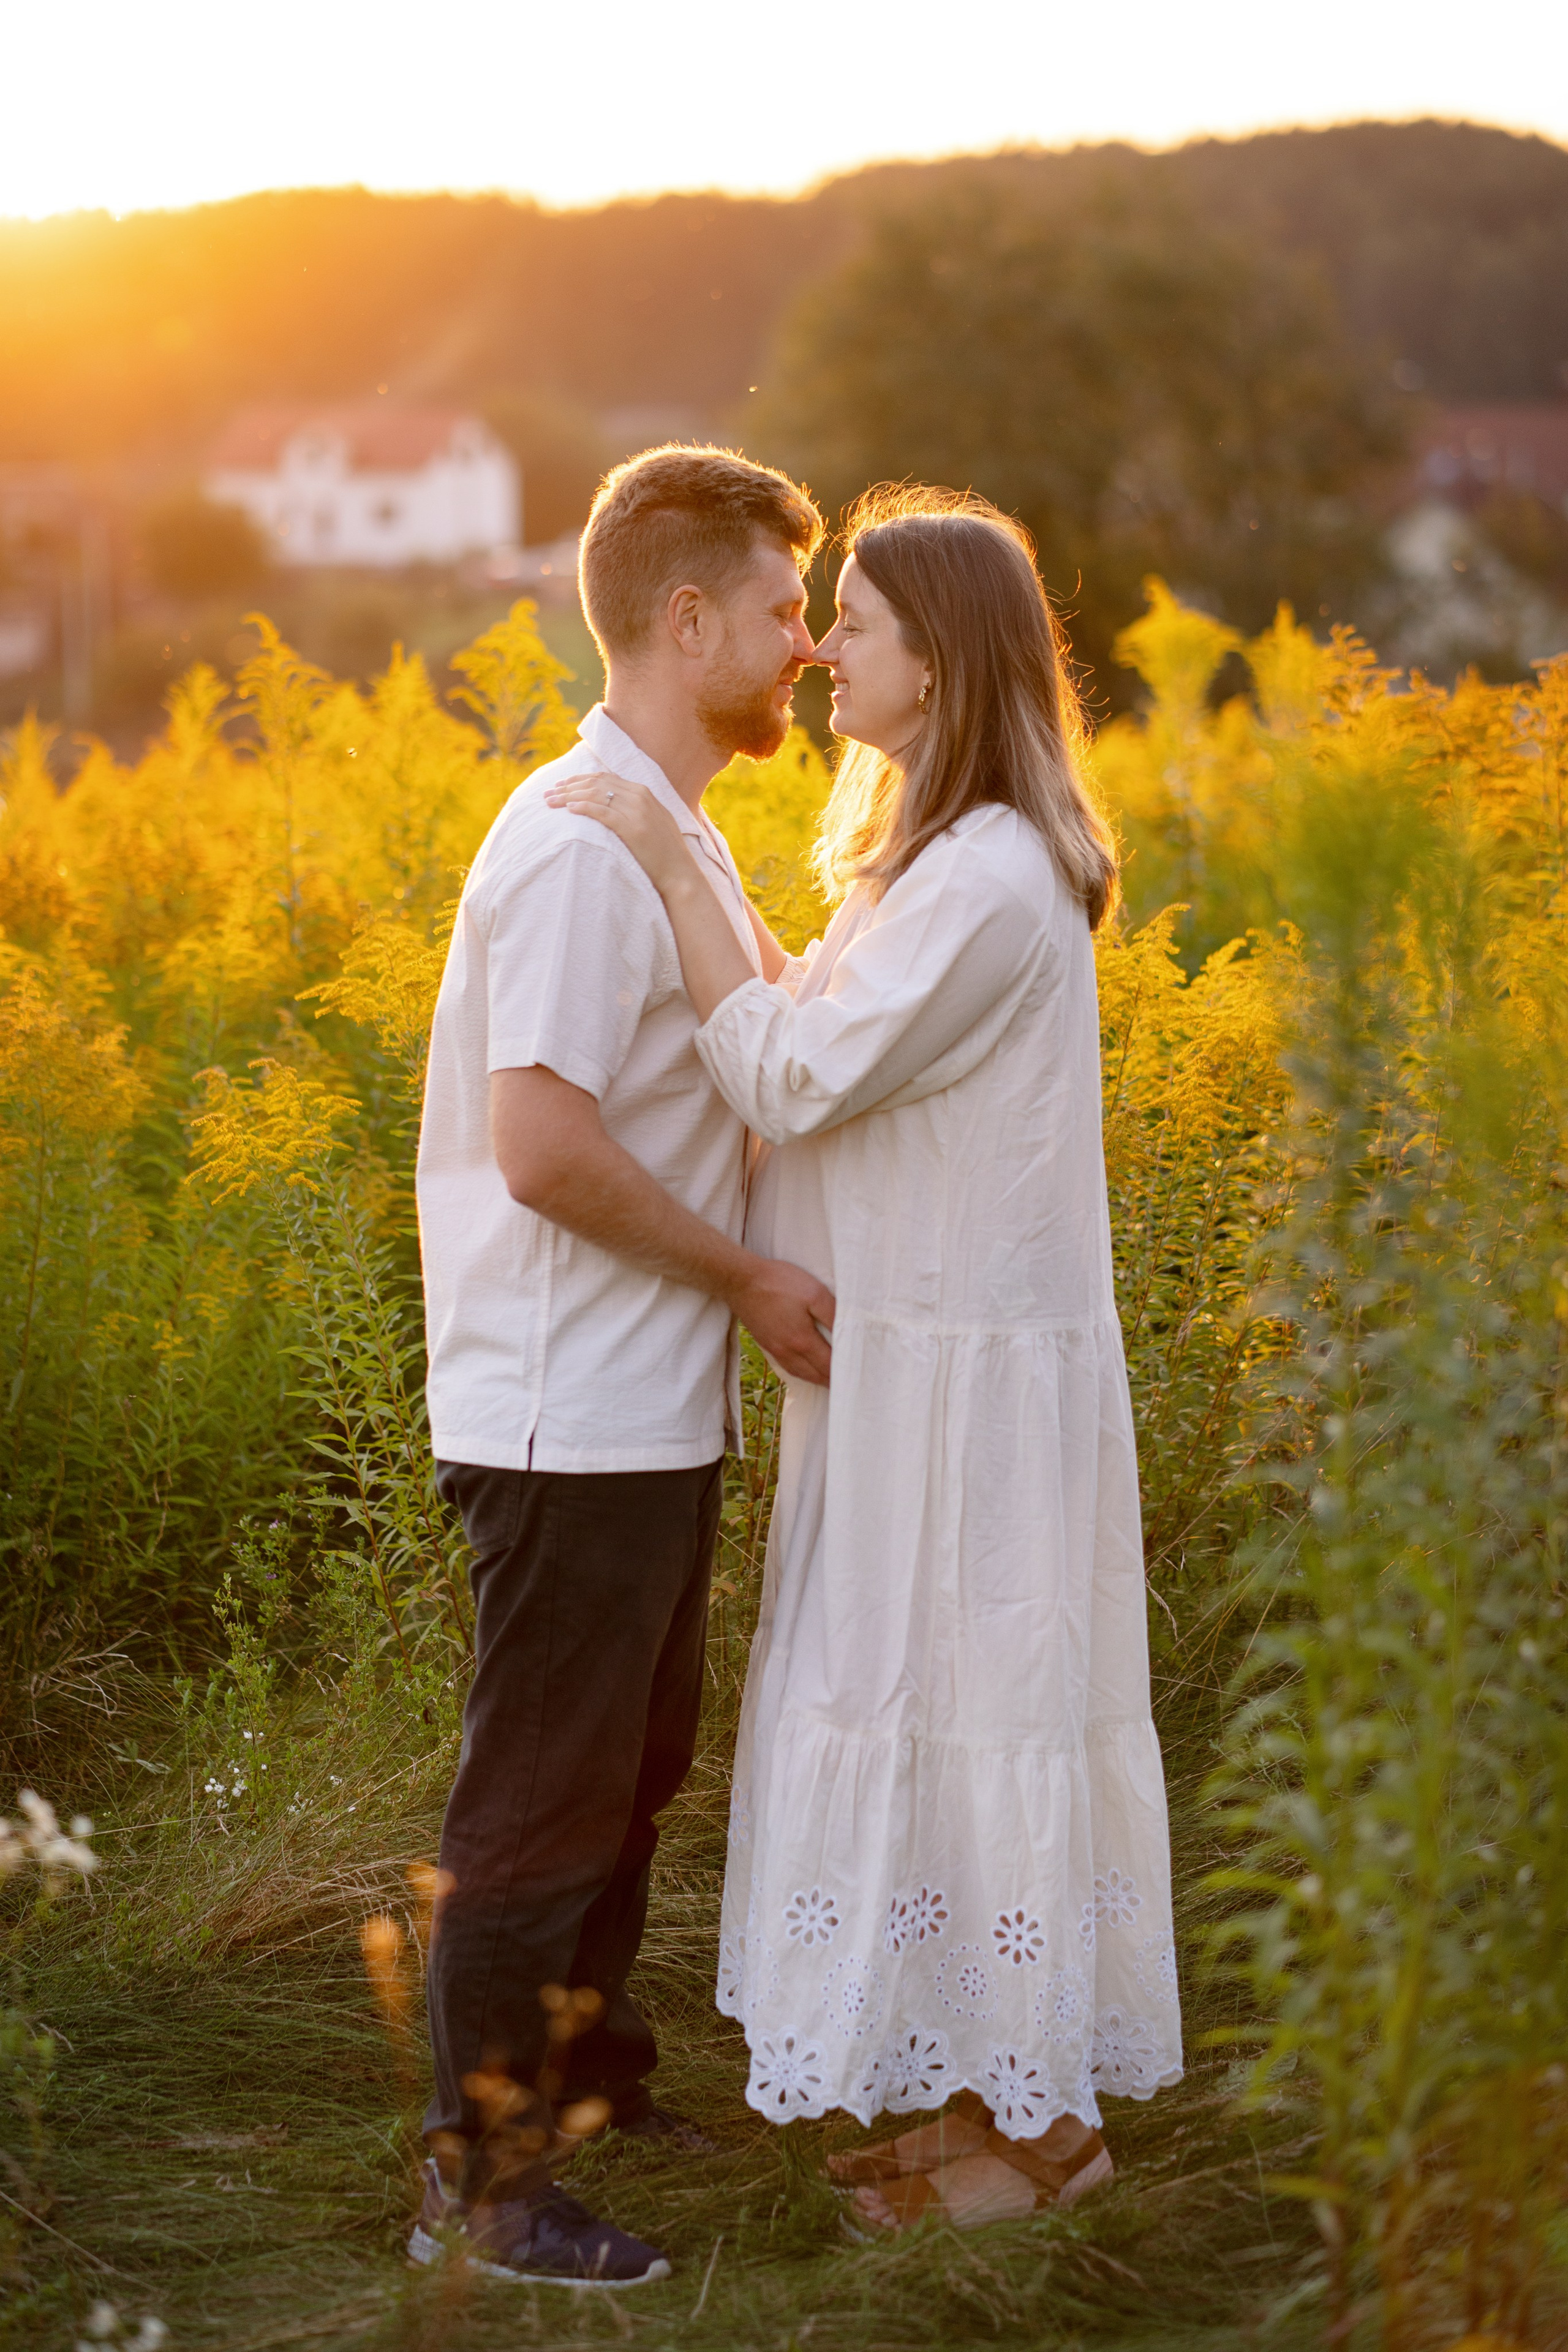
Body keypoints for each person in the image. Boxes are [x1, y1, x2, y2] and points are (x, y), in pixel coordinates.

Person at [549, 485, 1182, 2237]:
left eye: (864, 626)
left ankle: (1044, 2144)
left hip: (968, 1401)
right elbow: (814, 1011)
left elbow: (785, 1074)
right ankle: (987, 2100)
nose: (827, 649)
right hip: (917, 1378)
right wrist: (707, 880)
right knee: (932, 1714)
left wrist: (671, 854)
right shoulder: (939, 858)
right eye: (821, 617)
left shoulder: (985, 877)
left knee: (977, 1720)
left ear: (947, 661)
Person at [410, 445, 836, 2286]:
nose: (805, 649)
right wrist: (748, 1274)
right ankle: (485, 2186)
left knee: (632, 1767)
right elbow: (543, 1149)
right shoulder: (586, 845)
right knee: (543, 1794)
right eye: (782, 611)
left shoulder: (671, 818)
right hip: (564, 1405)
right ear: (686, 620)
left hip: (637, 1406)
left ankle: (590, 2087)